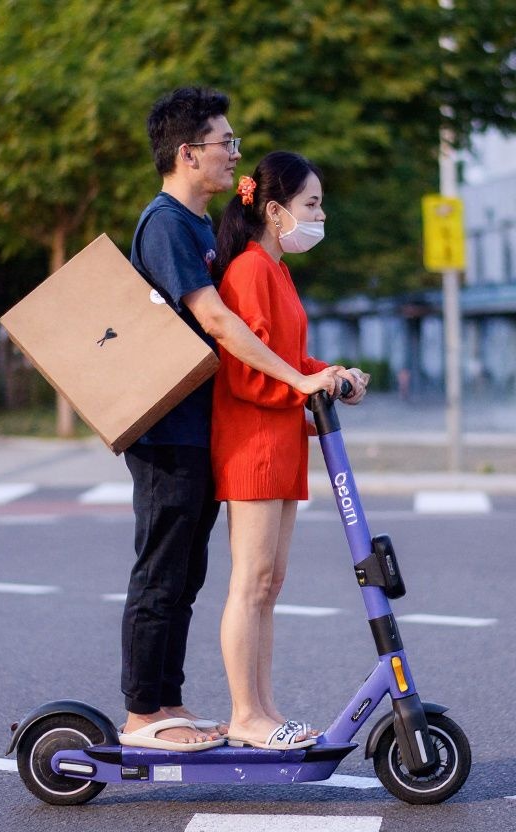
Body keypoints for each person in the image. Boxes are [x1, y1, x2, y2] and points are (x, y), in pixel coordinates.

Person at [118, 89, 344, 752]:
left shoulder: (196, 227)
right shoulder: (164, 222)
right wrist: (299, 378)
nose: (235, 155)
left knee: (186, 571)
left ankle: (167, 702)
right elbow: (217, 322)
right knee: (161, 567)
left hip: (197, 425)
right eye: (227, 143)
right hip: (162, 426)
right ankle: (141, 717)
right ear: (189, 154)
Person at [210, 152, 369, 750]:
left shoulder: (275, 271)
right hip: (251, 442)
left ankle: (264, 710)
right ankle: (245, 714)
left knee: (270, 583)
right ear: (274, 212)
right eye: (311, 205)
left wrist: (329, 373)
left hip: (278, 442)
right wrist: (307, 383)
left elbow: (284, 359)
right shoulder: (249, 272)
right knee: (251, 581)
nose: (320, 215)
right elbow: (248, 373)